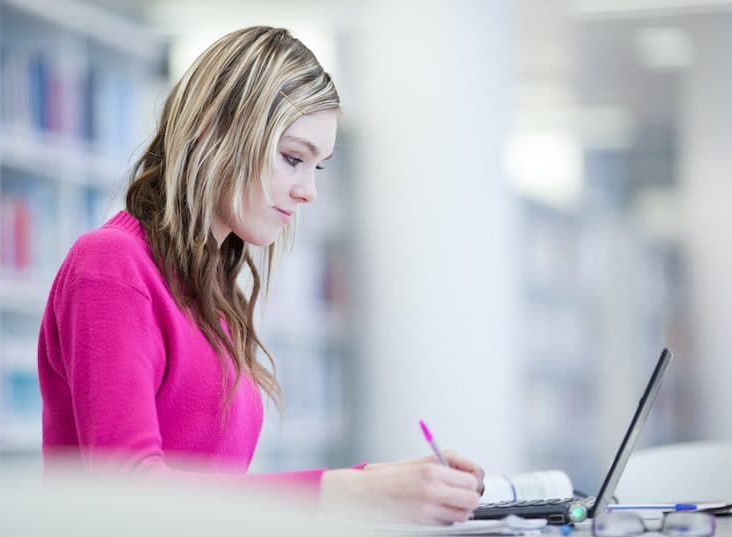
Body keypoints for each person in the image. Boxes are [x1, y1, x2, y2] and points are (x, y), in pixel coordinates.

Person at [37, 25, 484, 525]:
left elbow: (212, 493)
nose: (307, 191)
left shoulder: (214, 295)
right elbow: (127, 493)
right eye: (293, 158)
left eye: (318, 167)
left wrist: (383, 483)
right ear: (213, 131)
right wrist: (352, 492)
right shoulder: (111, 265)